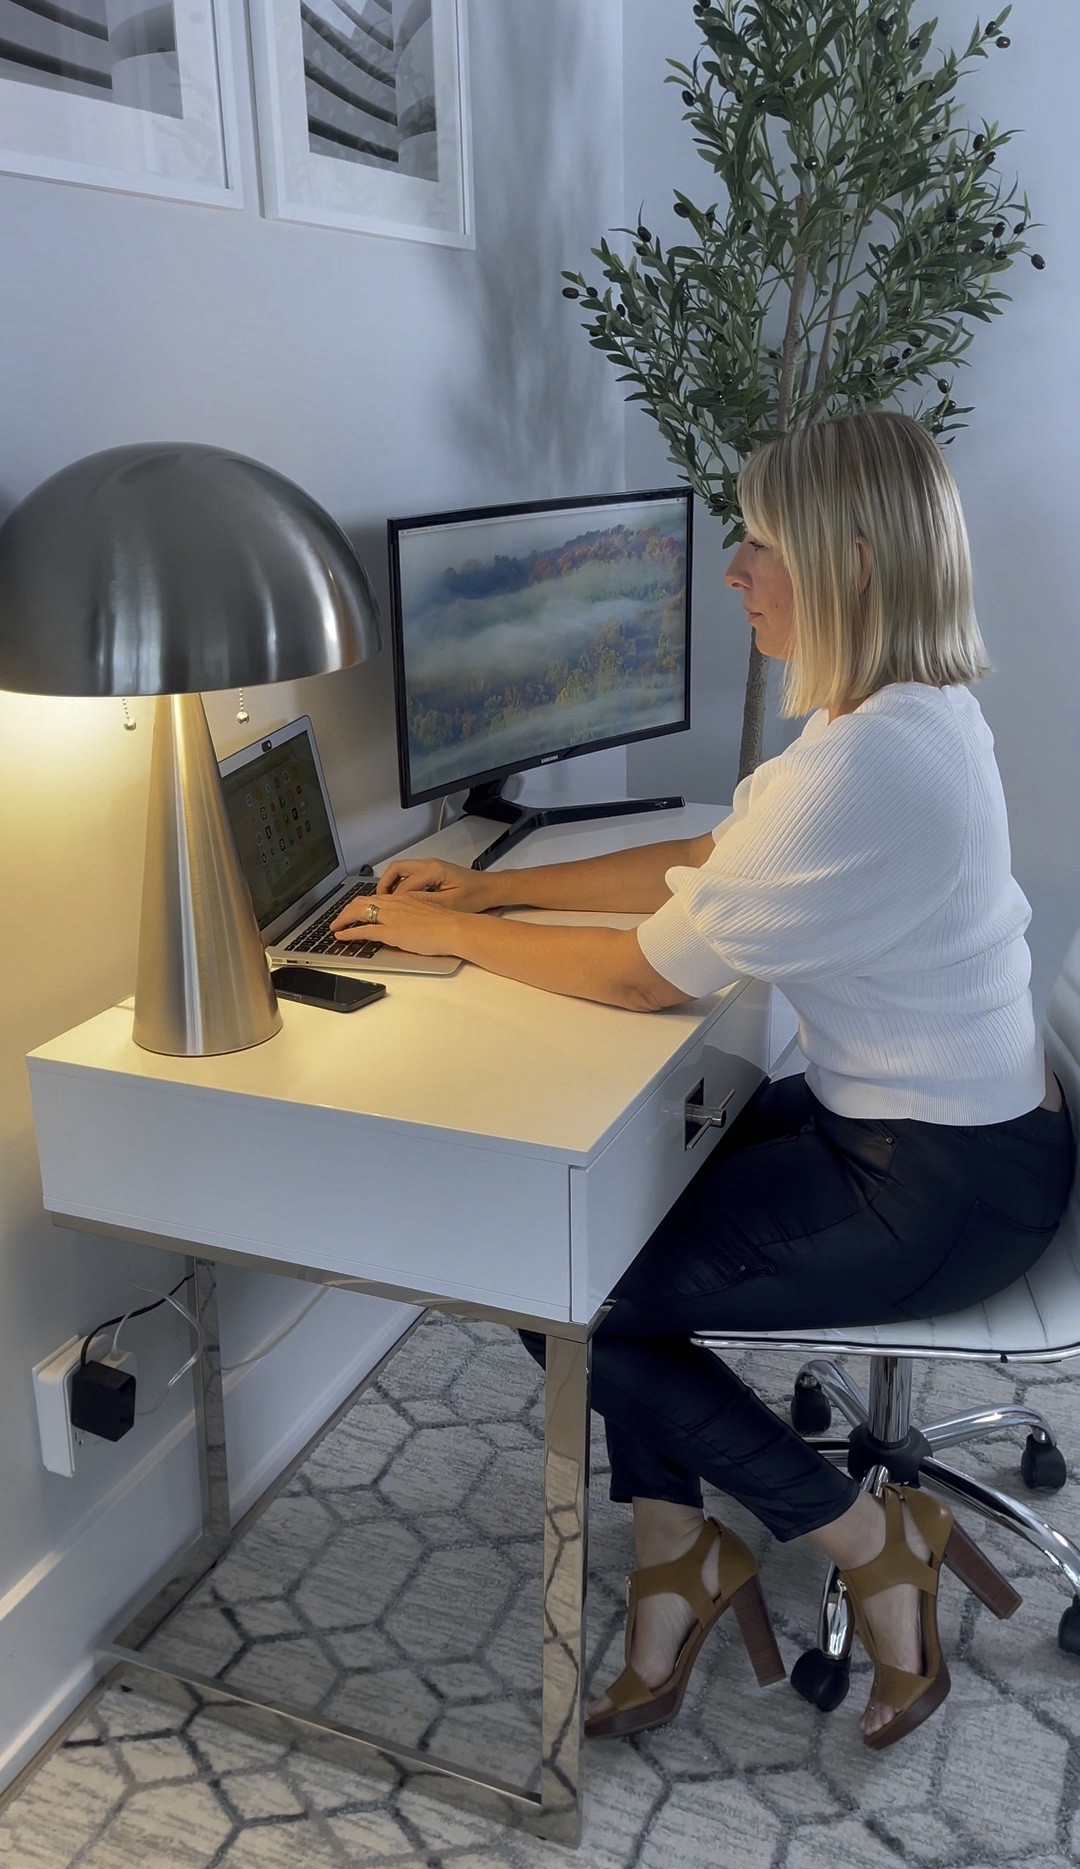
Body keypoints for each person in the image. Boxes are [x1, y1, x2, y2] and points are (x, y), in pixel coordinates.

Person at [332, 412, 1075, 1751]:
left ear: (848, 566)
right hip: (948, 1129)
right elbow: (718, 853)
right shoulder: (900, 712)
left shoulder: (869, 765)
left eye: (762, 545)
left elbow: (647, 977)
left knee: (574, 1292)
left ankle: (866, 1537)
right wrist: (496, 888)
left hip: (942, 1188)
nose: (733, 572)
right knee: (586, 1231)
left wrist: (447, 935)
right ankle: (676, 1560)